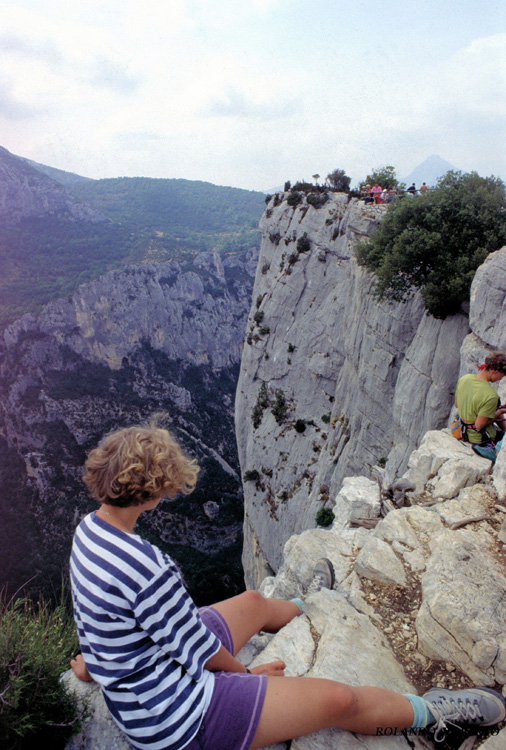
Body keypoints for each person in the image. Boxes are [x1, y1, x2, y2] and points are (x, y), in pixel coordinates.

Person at [70, 423, 506, 749]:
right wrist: (246, 676)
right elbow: (198, 650)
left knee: (256, 601)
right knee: (339, 700)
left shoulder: (88, 532)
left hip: (155, 669)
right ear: (153, 490)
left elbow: (103, 615)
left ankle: (313, 601)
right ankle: (433, 715)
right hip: (177, 719)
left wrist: (96, 663)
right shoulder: (148, 568)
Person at [455, 352, 506, 460]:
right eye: (501, 377)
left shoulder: (465, 378)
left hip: (462, 430)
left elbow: (457, 404)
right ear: (495, 372)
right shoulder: (491, 396)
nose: (500, 379)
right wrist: (500, 412)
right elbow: (479, 425)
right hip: (478, 438)